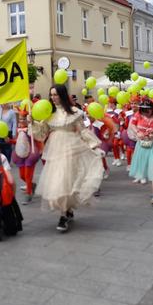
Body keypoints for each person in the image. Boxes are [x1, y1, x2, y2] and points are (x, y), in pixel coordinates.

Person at [29, 84, 104, 232]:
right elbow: (42, 133)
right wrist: (32, 122)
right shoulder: (49, 113)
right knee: (58, 181)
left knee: (67, 181)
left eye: (56, 94)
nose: (53, 97)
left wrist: (94, 145)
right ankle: (66, 211)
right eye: (51, 95)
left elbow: (82, 130)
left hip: (72, 149)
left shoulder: (74, 112)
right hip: (55, 150)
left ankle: (64, 215)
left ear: (62, 95)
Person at [12, 101, 43, 205]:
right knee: (22, 176)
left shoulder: (31, 128)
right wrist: (9, 141)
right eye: (20, 119)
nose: (21, 120)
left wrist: (31, 126)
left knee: (28, 174)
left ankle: (28, 193)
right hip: (21, 153)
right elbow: (18, 141)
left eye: (23, 118)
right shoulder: (19, 129)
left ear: (28, 119)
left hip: (31, 153)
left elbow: (37, 137)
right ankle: (31, 185)